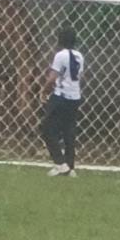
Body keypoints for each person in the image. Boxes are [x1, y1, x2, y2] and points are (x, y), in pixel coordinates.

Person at [42, 24, 84, 177]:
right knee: (68, 130)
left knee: (47, 128)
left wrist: (45, 90)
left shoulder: (60, 55)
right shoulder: (79, 56)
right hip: (75, 96)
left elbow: (53, 77)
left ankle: (60, 163)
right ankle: (70, 166)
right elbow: (79, 76)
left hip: (61, 95)